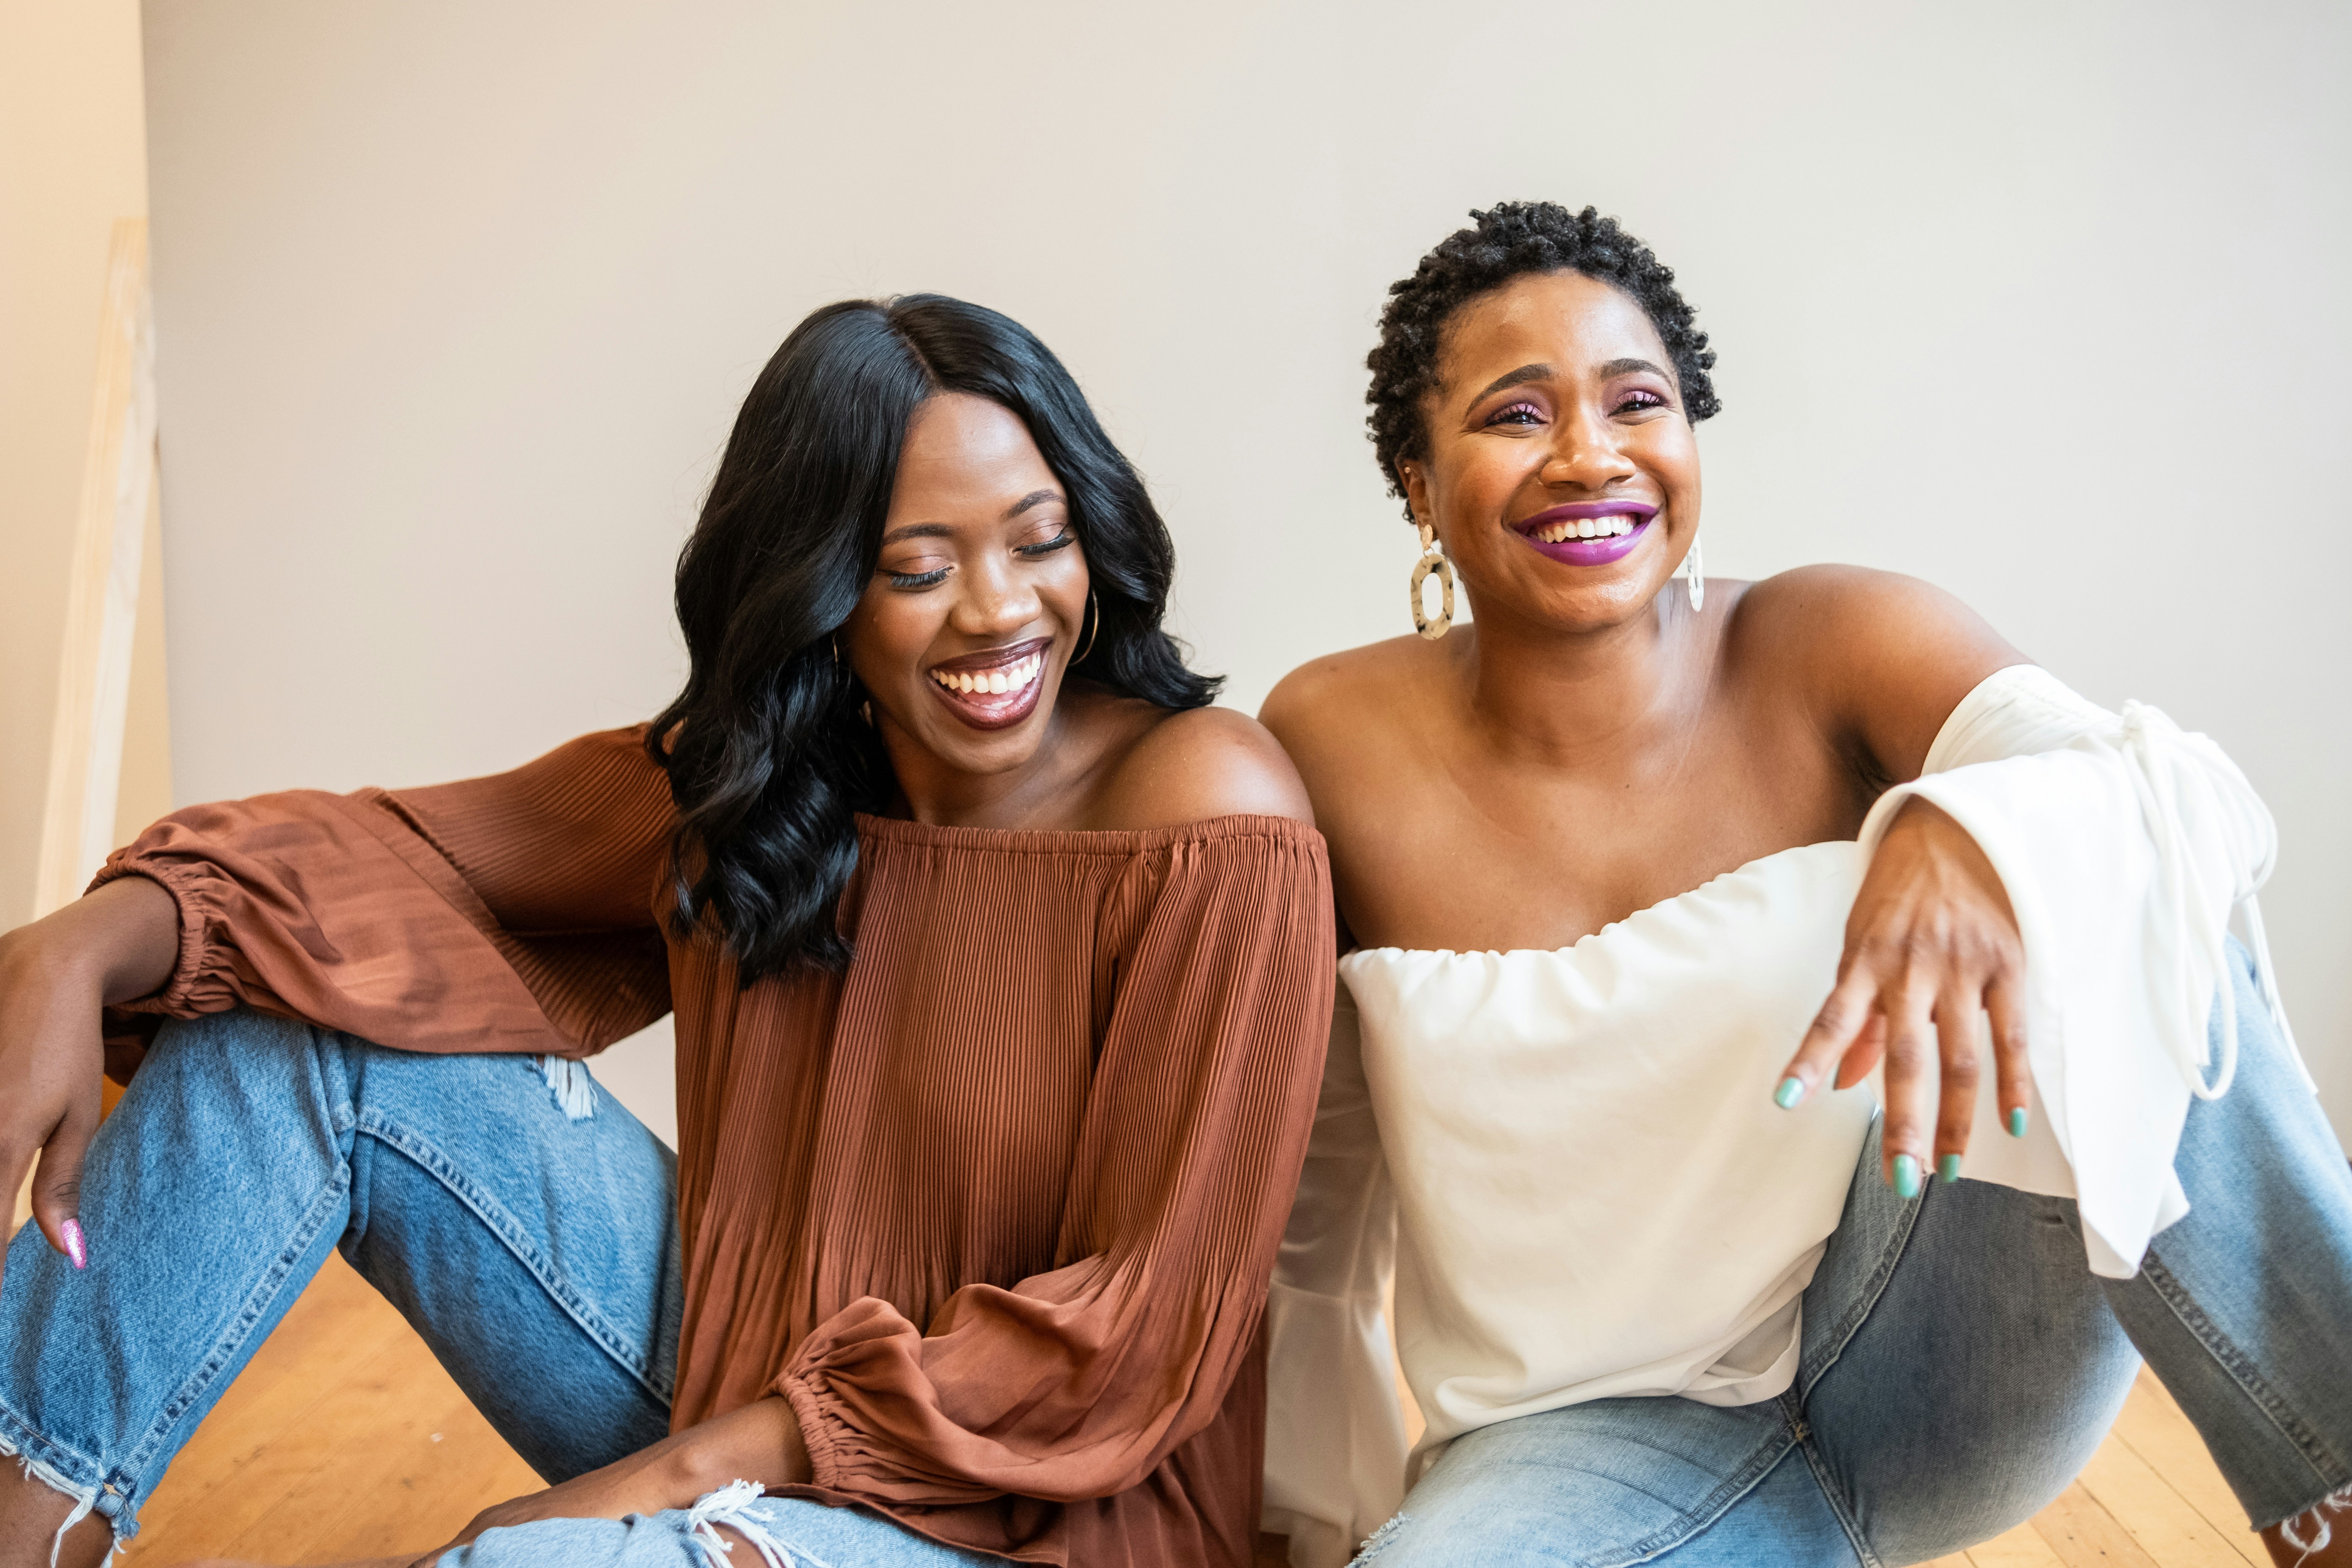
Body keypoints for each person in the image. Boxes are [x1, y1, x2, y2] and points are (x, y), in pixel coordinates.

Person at [0, 295, 1333, 1568]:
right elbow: (406, 855)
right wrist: (81, 945)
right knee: (291, 1028)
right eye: (914, 568)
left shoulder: (1209, 811)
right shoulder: (777, 780)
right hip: (735, 1388)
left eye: (1039, 542)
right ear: (821, 596)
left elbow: (1138, 1336)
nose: (997, 609)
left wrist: (640, 1495)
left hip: (1040, 1515)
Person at [1256, 202, 2352, 1568]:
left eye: (1636, 400)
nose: (1592, 454)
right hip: (1583, 1443)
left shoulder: (1835, 638)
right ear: (1419, 484)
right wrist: (1303, 1516)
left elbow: (2181, 807)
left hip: (1941, 1346)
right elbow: (1311, 1173)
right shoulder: (1326, 740)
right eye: (1517, 415)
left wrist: (1967, 830)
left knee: (2106, 856)